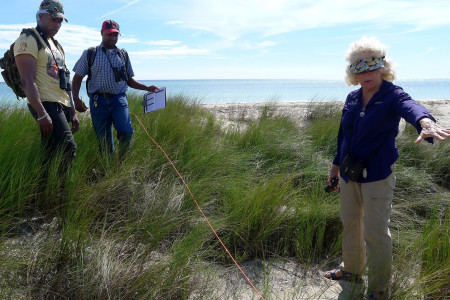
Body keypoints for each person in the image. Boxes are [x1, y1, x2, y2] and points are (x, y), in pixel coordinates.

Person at [323, 37, 450, 300]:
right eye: (360, 68)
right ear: (353, 73)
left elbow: (411, 107)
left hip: (377, 175)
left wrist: (425, 122)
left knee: (376, 231)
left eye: (372, 67)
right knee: (350, 223)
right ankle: (351, 271)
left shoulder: (393, 95)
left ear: (382, 67)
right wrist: (335, 167)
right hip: (349, 173)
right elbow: (343, 136)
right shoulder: (353, 97)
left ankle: (378, 289)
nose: (367, 74)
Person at [71, 20, 159, 156]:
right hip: (98, 101)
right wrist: (76, 98)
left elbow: (129, 80)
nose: (113, 38)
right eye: (110, 34)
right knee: (104, 140)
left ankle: (122, 161)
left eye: (116, 35)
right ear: (102, 33)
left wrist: (147, 88)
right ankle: (109, 168)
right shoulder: (90, 53)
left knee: (125, 131)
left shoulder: (123, 54)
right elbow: (77, 77)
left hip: (119, 99)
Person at [14, 0, 78, 172]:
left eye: (60, 21)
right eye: (53, 19)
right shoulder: (28, 39)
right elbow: (27, 80)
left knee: (49, 154)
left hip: (61, 103)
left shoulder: (57, 46)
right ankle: (65, 192)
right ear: (40, 16)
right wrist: (41, 113)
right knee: (68, 147)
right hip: (46, 104)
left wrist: (72, 110)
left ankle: (42, 191)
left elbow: (65, 80)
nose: (57, 24)